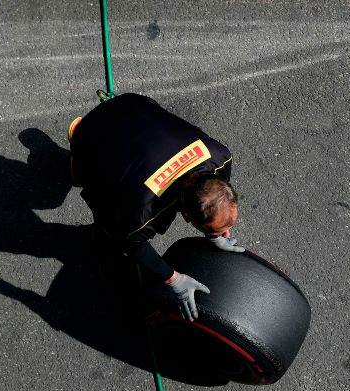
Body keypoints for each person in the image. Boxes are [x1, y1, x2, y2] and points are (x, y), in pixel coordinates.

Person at [67, 92, 244, 322]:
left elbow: (212, 198)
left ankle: (102, 126)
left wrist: (215, 234)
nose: (226, 234)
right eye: (220, 232)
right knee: (108, 229)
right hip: (93, 133)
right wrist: (173, 279)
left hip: (131, 104)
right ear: (187, 215)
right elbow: (132, 245)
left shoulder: (220, 157)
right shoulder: (143, 213)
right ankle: (80, 136)